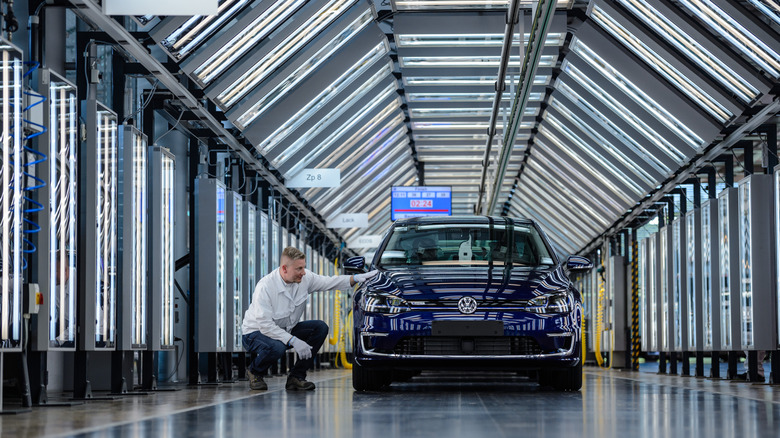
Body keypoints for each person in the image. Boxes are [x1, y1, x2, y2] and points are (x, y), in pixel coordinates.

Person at [241, 246, 377, 391]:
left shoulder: (305, 279)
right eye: (299, 269)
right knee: (277, 347)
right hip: (256, 333)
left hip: (285, 330)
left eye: (304, 267)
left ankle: (296, 377)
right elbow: (265, 325)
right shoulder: (265, 286)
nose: (303, 272)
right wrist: (293, 340)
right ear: (284, 269)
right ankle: (255, 372)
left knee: (319, 327)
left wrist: (355, 278)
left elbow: (329, 282)